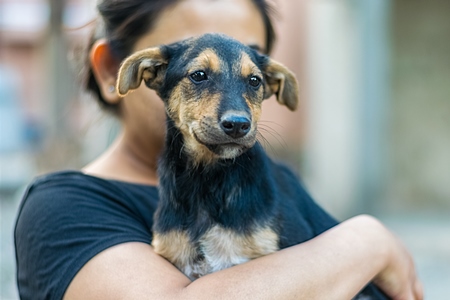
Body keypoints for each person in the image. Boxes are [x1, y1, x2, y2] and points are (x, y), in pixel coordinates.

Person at [14, 0, 423, 299]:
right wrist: (366, 241)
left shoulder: (276, 186)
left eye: (250, 80)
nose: (235, 112)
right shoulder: (64, 207)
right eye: (200, 73)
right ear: (132, 71)